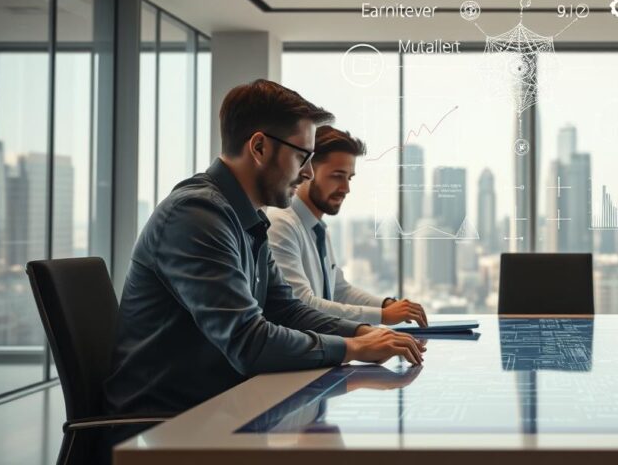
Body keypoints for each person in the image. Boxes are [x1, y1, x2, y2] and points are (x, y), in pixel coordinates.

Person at [104, 80, 424, 418]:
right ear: (259, 147)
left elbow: (287, 309)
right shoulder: (196, 215)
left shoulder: (246, 218)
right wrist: (352, 347)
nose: (308, 172)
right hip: (165, 426)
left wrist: (365, 333)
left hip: (219, 409)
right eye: (302, 156)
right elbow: (249, 342)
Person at [267, 125, 428, 326]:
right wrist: (383, 316)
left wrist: (386, 305)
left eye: (349, 178)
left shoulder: (318, 230)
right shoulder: (281, 225)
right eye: (337, 176)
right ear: (307, 171)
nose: (346, 188)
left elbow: (339, 290)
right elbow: (301, 304)